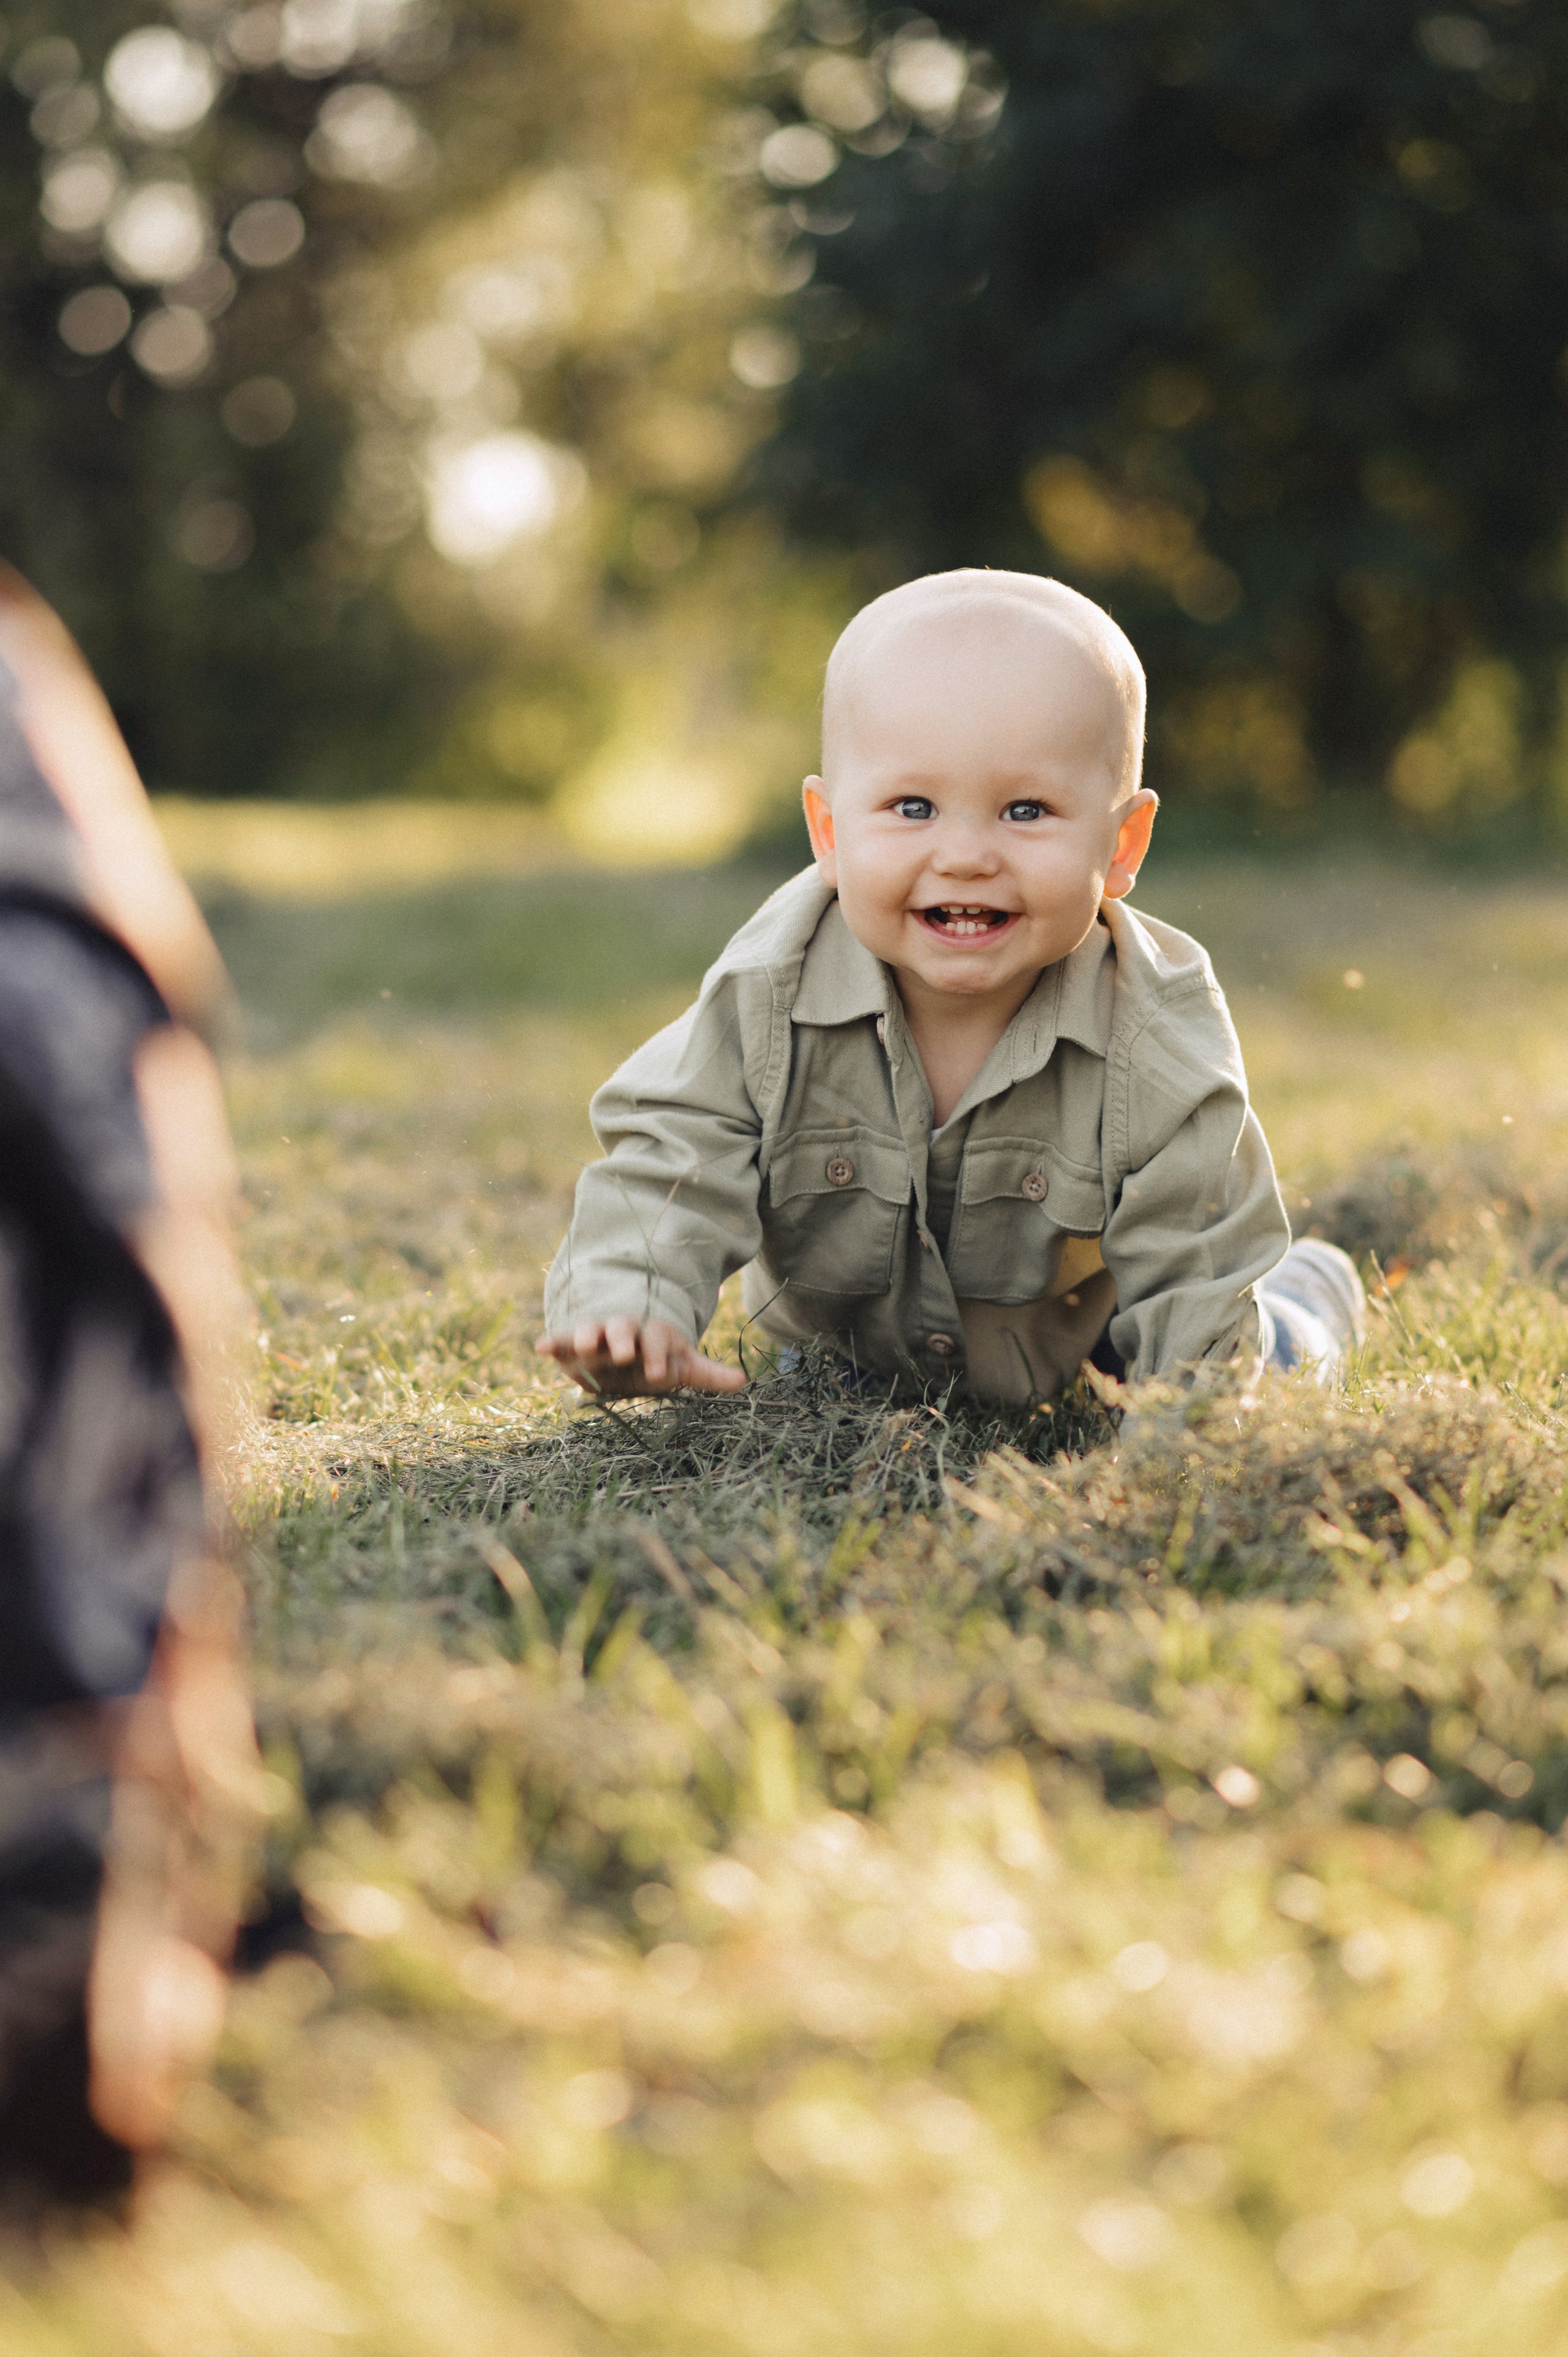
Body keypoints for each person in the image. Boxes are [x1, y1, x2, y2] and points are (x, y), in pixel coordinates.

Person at [541, 569, 1363, 1405]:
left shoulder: (1154, 1033)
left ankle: (1309, 1301)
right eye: (912, 807)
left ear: (1122, 844)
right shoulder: (768, 993)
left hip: (1091, 1341)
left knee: (1270, 1364)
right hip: (840, 1358)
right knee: (819, 1407)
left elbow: (1196, 1255)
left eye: (1025, 811)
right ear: (828, 831)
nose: (966, 854)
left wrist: (1186, 1452)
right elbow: (674, 1149)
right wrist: (628, 1305)